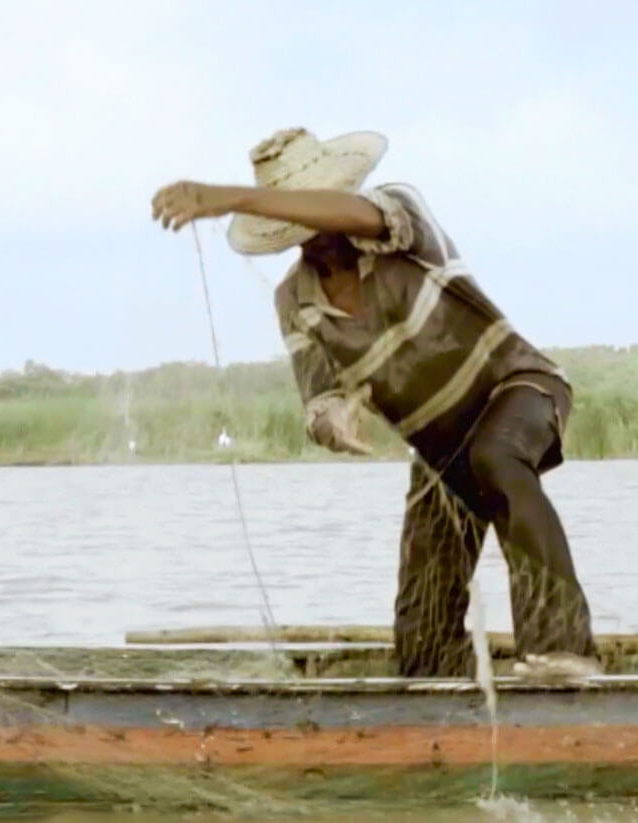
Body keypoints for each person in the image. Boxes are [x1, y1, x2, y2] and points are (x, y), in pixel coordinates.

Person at [150, 128, 600, 681]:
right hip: (441, 451)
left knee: (497, 459)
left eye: (310, 211)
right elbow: (319, 399)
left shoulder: (398, 221)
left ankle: (564, 648)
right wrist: (333, 421)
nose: (318, 235)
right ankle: (437, 694)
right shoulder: (294, 300)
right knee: (421, 624)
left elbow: (356, 215)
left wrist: (230, 198)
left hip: (518, 389)